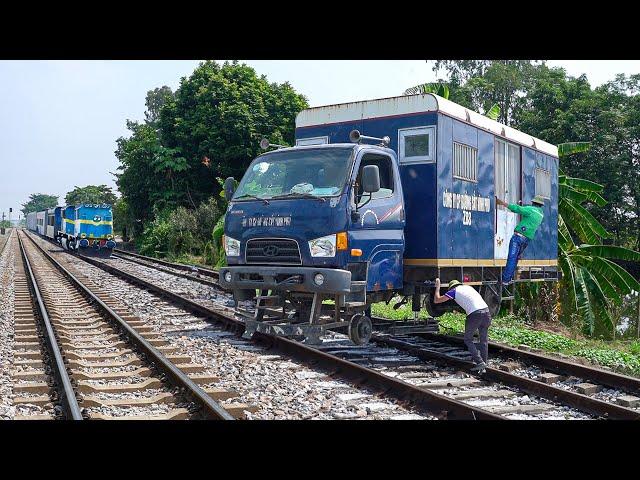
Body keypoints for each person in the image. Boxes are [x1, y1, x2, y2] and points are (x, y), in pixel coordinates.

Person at [433, 278, 492, 372]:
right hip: (486, 312)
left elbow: (437, 300)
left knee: (468, 339)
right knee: (483, 340)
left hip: (475, 314)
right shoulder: (468, 287)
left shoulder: (454, 291)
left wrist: (438, 287)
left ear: (451, 288)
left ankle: (480, 362)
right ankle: (484, 365)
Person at [495, 195, 546, 285]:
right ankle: (509, 278)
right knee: (515, 259)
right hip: (527, 240)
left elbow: (518, 209)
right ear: (541, 205)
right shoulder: (541, 215)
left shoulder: (531, 210)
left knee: (511, 258)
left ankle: (505, 280)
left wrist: (503, 203)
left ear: (533, 203)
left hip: (518, 238)